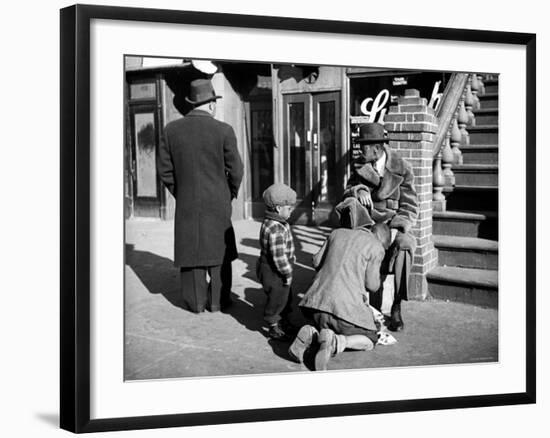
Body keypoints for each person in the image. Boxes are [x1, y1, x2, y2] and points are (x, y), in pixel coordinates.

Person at [158, 78, 244, 313]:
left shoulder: (171, 130)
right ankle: (217, 302)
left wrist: (182, 192)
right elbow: (236, 169)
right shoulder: (223, 130)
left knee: (191, 252)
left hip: (187, 203)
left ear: (192, 103)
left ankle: (195, 303)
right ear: (211, 104)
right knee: (218, 252)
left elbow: (165, 171)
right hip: (218, 202)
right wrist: (229, 193)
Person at [288, 198, 391, 371]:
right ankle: (337, 342)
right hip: (343, 311)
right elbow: (372, 285)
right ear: (381, 239)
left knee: (325, 323)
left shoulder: (337, 233)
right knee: (371, 339)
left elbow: (316, 261)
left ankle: (311, 332)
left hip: (315, 306)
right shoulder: (376, 247)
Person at [344, 122, 418, 332]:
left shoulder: (402, 168)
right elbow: (346, 193)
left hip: (393, 224)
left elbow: (410, 206)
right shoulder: (359, 166)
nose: (359, 151)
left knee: (406, 246)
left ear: (376, 148)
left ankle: (396, 306)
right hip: (369, 224)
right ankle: (371, 306)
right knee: (370, 242)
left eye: (363, 147)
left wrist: (398, 227)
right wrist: (357, 190)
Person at [256, 183, 297, 341]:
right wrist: (287, 273)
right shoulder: (276, 229)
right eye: (289, 208)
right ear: (279, 208)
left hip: (272, 267)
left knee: (285, 296)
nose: (291, 211)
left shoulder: (271, 222)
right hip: (275, 271)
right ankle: (274, 325)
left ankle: (284, 320)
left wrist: (291, 256)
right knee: (277, 298)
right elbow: (279, 257)